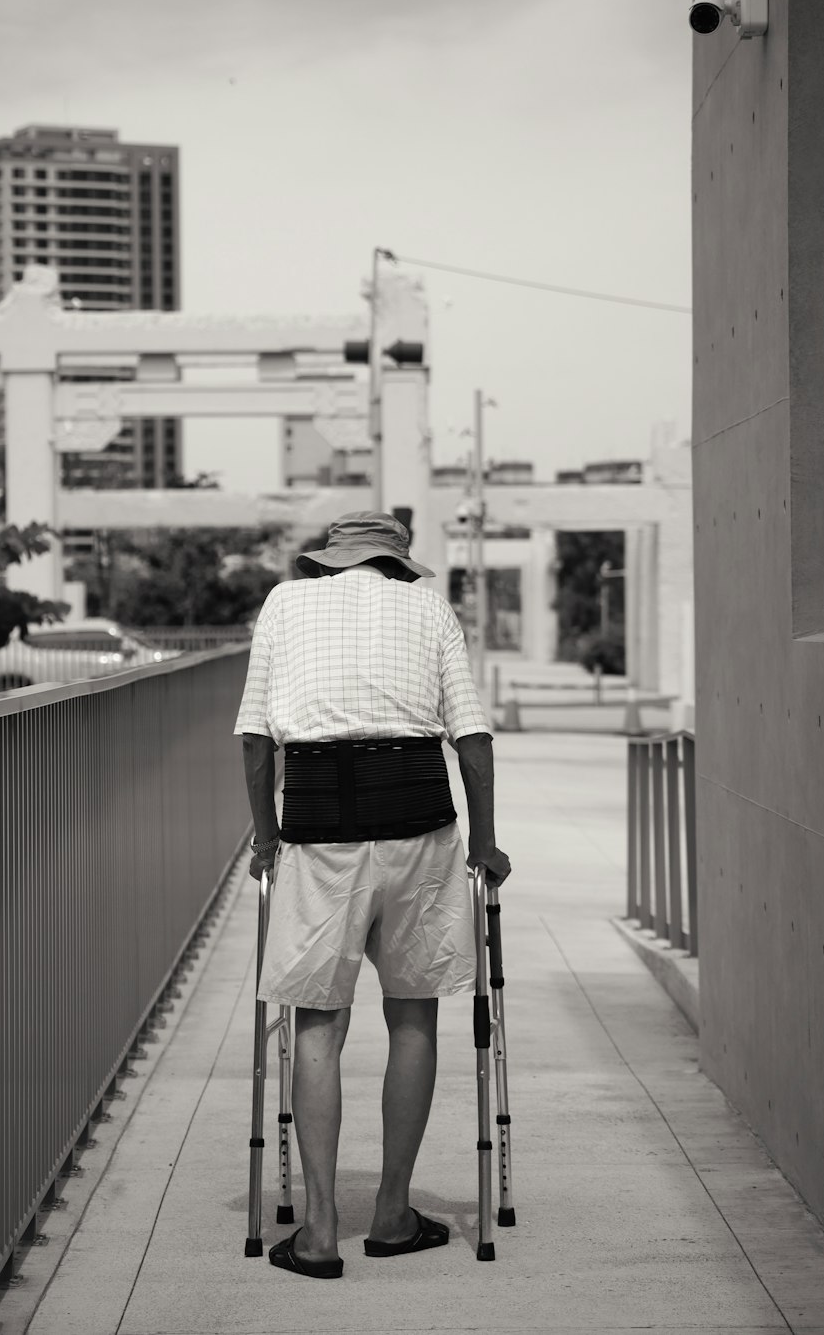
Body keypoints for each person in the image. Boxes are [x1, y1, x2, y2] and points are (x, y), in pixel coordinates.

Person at [234, 510, 510, 1279]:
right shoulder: (428, 606)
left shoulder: (284, 603)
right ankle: (391, 1214)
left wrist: (266, 838)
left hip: (321, 821)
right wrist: (485, 844)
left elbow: (257, 740)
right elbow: (474, 740)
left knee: (319, 1019)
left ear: (327, 560)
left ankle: (319, 1231)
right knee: (412, 1010)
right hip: (419, 817)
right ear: (397, 562)